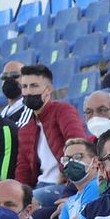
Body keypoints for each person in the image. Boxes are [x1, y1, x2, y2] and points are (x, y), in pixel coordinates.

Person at [13, 65, 87, 198]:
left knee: (31, 202)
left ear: (48, 90)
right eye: (24, 87)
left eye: (34, 86)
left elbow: (78, 144)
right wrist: (18, 194)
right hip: (39, 186)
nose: (28, 92)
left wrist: (66, 174)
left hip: (63, 186)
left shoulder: (63, 111)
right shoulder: (26, 129)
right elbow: (22, 169)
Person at [48, 139, 101, 219]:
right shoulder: (69, 202)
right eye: (67, 159)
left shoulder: (96, 186)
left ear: (95, 162)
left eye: (78, 157)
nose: (71, 162)